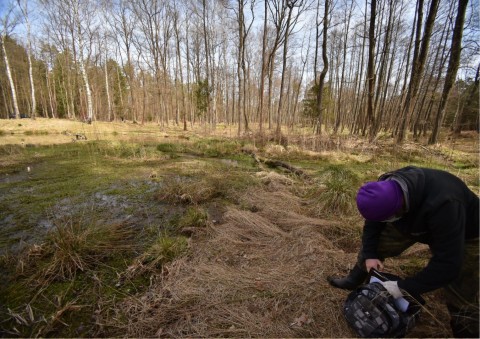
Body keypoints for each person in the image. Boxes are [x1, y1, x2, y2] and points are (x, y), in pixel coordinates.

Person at [327, 166, 479, 338]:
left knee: (462, 288)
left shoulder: (446, 203)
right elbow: (373, 223)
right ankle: (354, 278)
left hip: (467, 234)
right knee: (377, 245)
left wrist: (403, 288)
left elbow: (449, 264)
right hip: (413, 221)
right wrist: (370, 255)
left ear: (399, 207)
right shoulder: (385, 188)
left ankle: (466, 330)